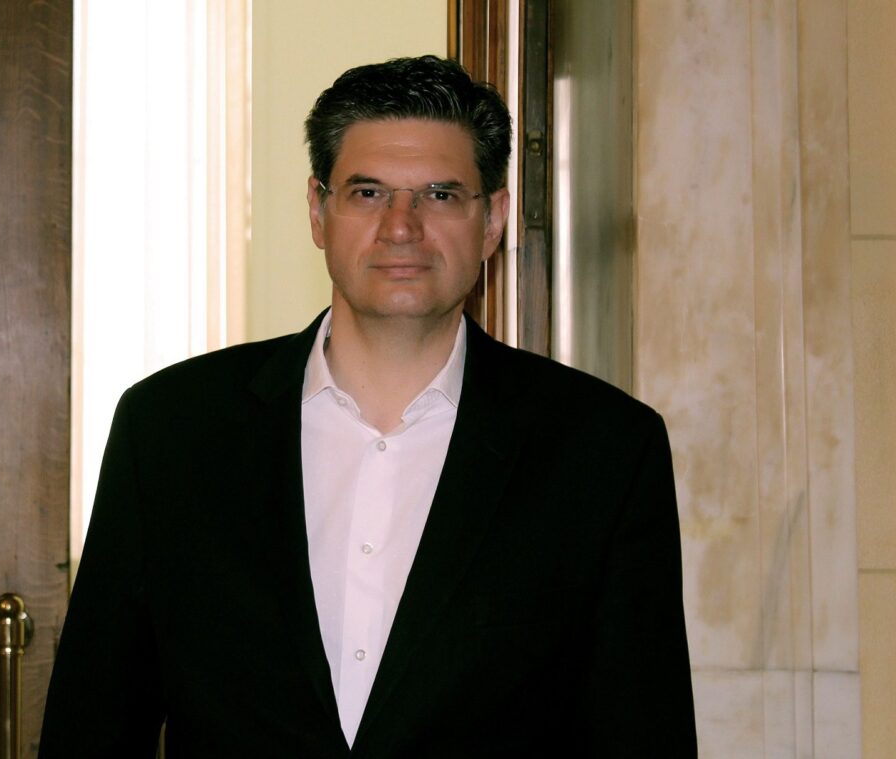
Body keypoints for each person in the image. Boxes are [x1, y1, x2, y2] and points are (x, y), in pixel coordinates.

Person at [39, 55, 696, 757]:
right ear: (318, 212)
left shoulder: (603, 451)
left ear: (494, 220)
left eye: (440, 194)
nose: (401, 226)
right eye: (368, 192)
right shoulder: (169, 430)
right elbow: (92, 727)